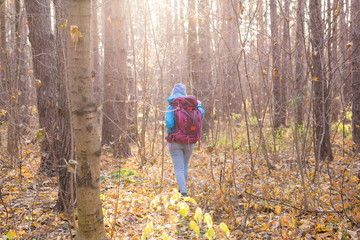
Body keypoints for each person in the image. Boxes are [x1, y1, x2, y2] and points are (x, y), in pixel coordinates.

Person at [165, 84, 204, 196]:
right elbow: (201, 113)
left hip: (175, 142)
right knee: (185, 165)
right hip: (189, 141)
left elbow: (169, 123)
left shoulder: (172, 106)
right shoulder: (192, 106)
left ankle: (183, 192)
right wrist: (199, 104)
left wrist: (170, 127)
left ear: (173, 93)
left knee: (179, 168)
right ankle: (182, 186)